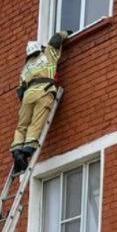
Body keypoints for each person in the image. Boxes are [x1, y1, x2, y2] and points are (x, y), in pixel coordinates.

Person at [10, 30, 71, 174]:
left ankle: (17, 152)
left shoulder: (25, 69)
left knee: (22, 126)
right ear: (40, 48)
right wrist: (65, 33)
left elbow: (20, 91)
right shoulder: (48, 55)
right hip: (44, 91)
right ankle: (25, 153)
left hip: (27, 97)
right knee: (36, 122)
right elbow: (56, 39)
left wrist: (27, 101)